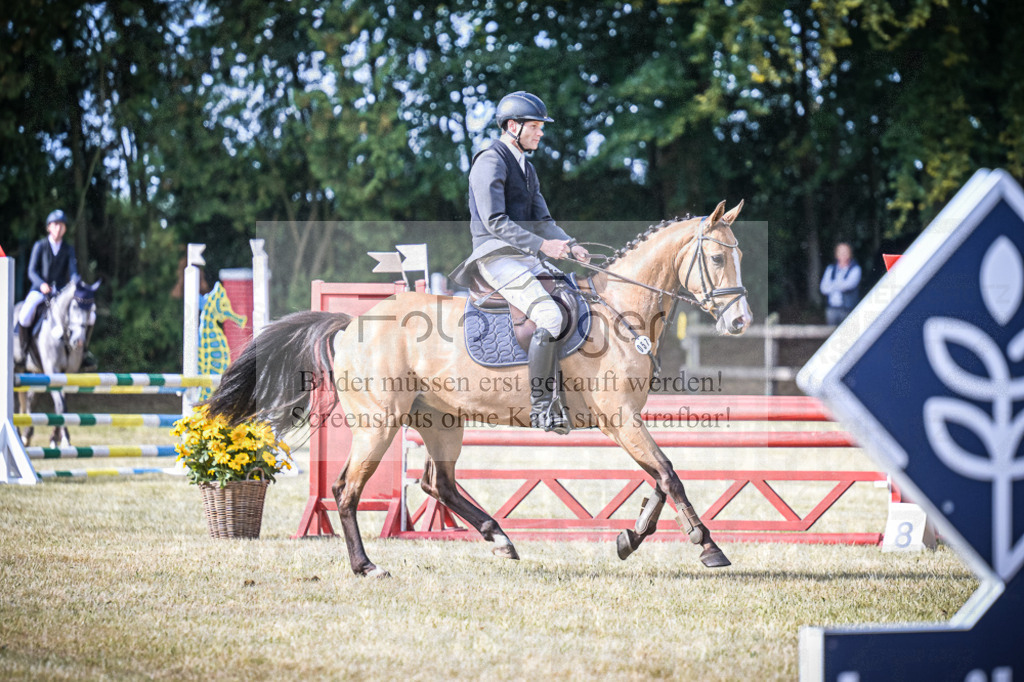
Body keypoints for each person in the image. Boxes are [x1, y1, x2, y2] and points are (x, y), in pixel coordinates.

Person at [450, 91, 590, 434]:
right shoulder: (490, 160)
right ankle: (542, 407)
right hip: (495, 257)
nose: (540, 133)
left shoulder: (526, 166)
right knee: (549, 315)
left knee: (574, 295)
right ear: (513, 126)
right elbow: (495, 221)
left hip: (523, 256)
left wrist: (570, 246)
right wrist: (545, 246)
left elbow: (542, 218)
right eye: (535, 127)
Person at [16, 210, 81, 357]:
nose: (59, 228)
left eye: (62, 225)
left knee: (80, 314)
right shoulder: (40, 245)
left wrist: (77, 283)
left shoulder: (68, 249)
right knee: (24, 315)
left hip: (60, 293)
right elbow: (31, 271)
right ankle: (23, 350)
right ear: (49, 227)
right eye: (56, 225)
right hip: (40, 291)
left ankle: (81, 354)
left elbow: (73, 273)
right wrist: (41, 284)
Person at [819, 242, 861, 325]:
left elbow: (849, 285)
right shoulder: (830, 269)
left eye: (845, 252)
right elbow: (823, 288)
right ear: (836, 254)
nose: (843, 254)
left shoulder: (855, 269)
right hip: (831, 309)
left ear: (850, 254)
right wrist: (839, 285)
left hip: (847, 310)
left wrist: (832, 285)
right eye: (841, 252)